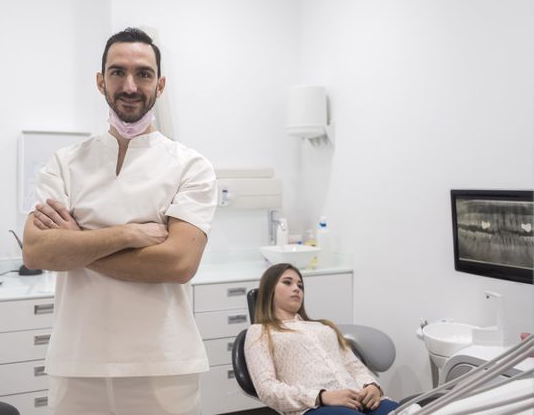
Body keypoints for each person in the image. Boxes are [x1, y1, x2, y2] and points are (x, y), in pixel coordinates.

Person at [22, 27, 217, 415]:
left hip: (163, 365)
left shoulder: (190, 166)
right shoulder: (64, 163)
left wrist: (76, 244)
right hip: (77, 363)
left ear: (160, 85)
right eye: (117, 72)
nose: (130, 85)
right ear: (100, 81)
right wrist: (127, 234)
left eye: (143, 73)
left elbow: (178, 264)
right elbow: (36, 251)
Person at [244, 263, 400, 415]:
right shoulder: (259, 332)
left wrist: (372, 386)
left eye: (300, 286)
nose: (296, 288)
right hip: (314, 407)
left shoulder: (324, 327)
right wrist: (321, 397)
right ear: (269, 290)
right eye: (287, 282)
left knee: (407, 410)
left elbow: (353, 366)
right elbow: (266, 388)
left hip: (360, 399)